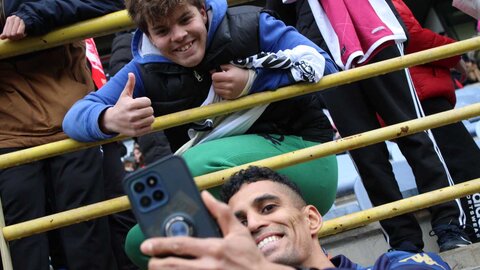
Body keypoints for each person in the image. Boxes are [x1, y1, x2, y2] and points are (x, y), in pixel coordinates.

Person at [63, 0, 339, 218]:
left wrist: (254, 80)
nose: (179, 36)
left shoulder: (251, 24)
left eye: (185, 19)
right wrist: (109, 118)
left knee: (192, 167)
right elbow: (74, 118)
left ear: (203, 11)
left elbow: (324, 65)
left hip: (306, 160)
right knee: (141, 241)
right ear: (148, 36)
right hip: (227, 182)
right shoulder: (144, 68)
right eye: (162, 30)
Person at [266, 0, 472, 253]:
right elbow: (277, 16)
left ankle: (449, 225)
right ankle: (403, 243)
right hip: (322, 54)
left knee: (415, 135)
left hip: (377, 32)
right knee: (366, 155)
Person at [128, 166, 452, 270]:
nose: (253, 224)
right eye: (240, 221)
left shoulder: (394, 264)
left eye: (268, 208)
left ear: (311, 218)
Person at [0, 0, 124, 269]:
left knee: (88, 245)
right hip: (9, 137)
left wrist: (33, 14)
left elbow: (113, 3)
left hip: (70, 123)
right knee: (25, 251)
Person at [391, 0, 480, 244]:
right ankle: (471, 230)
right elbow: (412, 37)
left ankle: (466, 229)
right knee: (464, 163)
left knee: (455, 163)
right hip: (420, 95)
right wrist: (454, 54)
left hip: (415, 94)